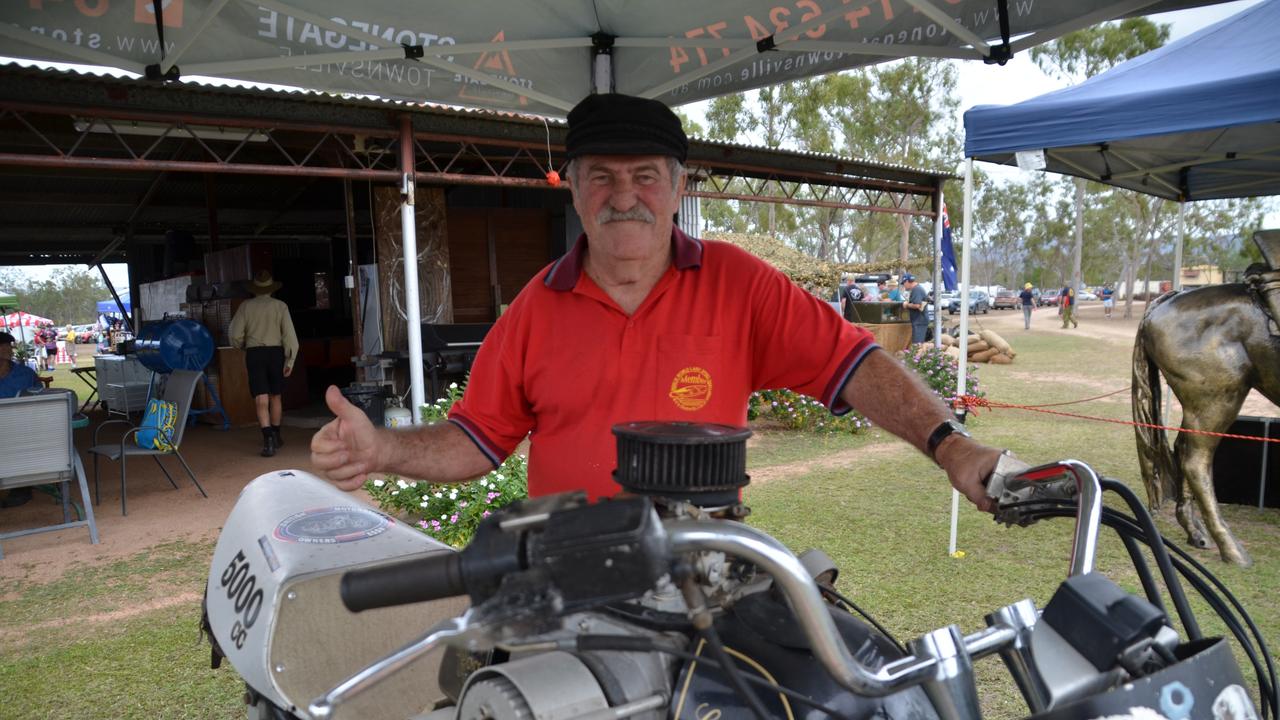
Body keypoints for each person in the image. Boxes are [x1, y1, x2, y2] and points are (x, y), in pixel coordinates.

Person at [311, 92, 1003, 514]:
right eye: (602, 178)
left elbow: (856, 365)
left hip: (705, 577)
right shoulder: (533, 309)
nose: (623, 196)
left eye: (644, 176)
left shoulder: (739, 283)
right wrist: (382, 448)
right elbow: (476, 439)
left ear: (677, 189)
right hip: (569, 578)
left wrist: (951, 445)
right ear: (573, 190)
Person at [229, 271, 298, 457]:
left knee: (261, 398)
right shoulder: (280, 306)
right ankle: (276, 435)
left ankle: (267, 440)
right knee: (276, 396)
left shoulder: (245, 306)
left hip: (255, 354)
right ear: (270, 288)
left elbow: (234, 335)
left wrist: (243, 346)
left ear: (255, 288)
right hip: (276, 354)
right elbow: (290, 337)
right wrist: (290, 360)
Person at [0, 331, 41, 507]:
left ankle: (21, 487)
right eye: (2, 346)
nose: (7, 350)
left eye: (9, 345)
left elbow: (41, 398)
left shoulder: (25, 374)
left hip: (22, 428)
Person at [902, 274, 929, 344]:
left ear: (907, 281)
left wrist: (906, 305)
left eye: (903, 283)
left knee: (917, 344)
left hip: (919, 321)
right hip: (919, 320)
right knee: (918, 343)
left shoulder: (916, 289)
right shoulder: (918, 288)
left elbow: (917, 305)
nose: (903, 285)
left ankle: (918, 355)